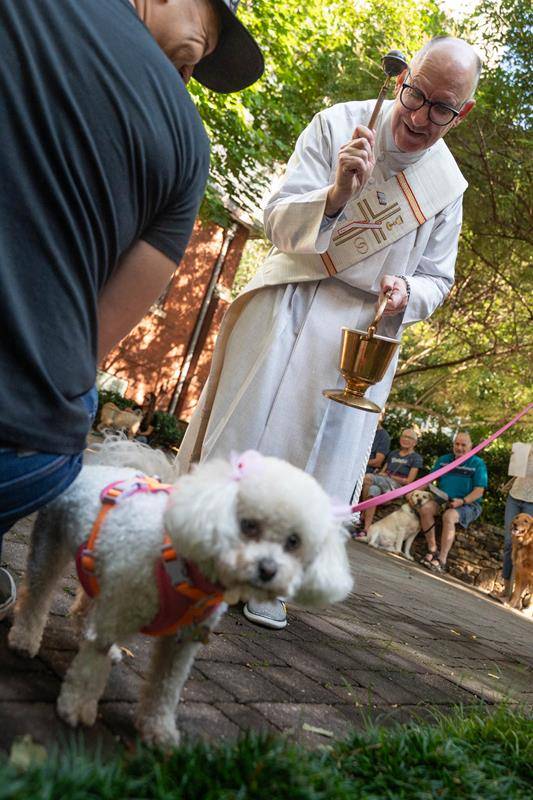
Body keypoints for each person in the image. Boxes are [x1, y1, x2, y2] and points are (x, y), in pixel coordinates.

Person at [178, 35, 481, 629]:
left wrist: (405, 294)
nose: (419, 117)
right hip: (290, 296)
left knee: (321, 460)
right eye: (415, 94)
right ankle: (202, 558)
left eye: (441, 108)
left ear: (461, 112)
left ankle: (273, 581)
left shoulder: (448, 187)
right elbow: (275, 219)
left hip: (362, 332)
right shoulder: (339, 124)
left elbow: (436, 281)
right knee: (245, 436)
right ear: (403, 79)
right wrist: (336, 196)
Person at [0, 0, 264, 619]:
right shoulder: (189, 143)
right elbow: (91, 345)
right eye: (201, 40)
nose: (188, 79)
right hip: (24, 450)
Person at [418, 432, 488, 573]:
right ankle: (432, 549)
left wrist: (462, 501)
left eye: (463, 445)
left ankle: (442, 560)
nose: (459, 448)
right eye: (457, 444)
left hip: (469, 503)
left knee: (449, 516)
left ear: (471, 446)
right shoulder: (444, 460)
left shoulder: (478, 464)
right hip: (444, 499)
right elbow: (428, 481)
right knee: (425, 509)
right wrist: (411, 492)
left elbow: (479, 491)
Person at [357, 429, 423, 535]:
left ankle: (361, 514)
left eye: (409, 438)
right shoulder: (393, 454)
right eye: (403, 436)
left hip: (397, 487)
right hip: (384, 482)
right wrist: (383, 475)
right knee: (373, 490)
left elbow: (409, 481)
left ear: (415, 442)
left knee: (368, 478)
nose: (405, 439)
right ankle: (366, 528)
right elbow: (383, 472)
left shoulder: (416, 458)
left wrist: (390, 476)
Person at [500, 443, 533, 599]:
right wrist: (508, 484)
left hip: (531, 502)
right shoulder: (526, 447)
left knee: (527, 549)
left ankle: (519, 594)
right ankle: (506, 589)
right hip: (514, 497)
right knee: (509, 542)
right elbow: (519, 470)